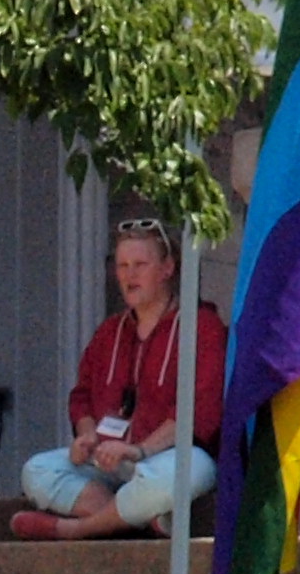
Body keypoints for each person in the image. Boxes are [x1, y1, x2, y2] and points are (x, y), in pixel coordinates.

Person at [18, 217, 227, 541]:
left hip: (168, 457)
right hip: (111, 459)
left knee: (177, 475)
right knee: (36, 470)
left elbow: (199, 411)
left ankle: (77, 529)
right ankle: (136, 517)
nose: (130, 275)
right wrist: (87, 437)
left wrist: (139, 451)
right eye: (122, 265)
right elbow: (82, 396)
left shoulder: (202, 327)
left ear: (167, 268)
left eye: (140, 265)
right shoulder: (110, 331)